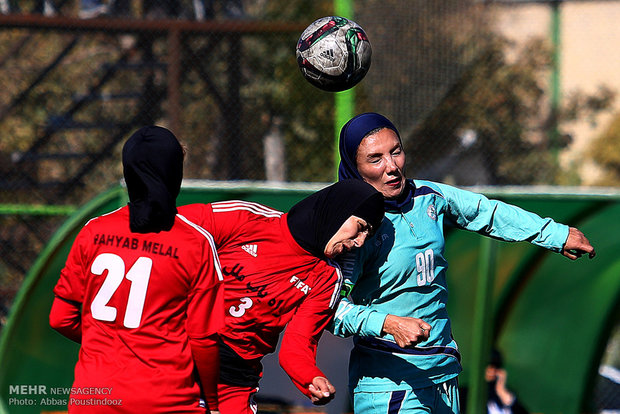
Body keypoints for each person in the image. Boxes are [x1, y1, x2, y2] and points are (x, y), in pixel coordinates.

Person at [330, 112, 596, 413]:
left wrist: (556, 234)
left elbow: (488, 212)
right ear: (355, 168)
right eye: (375, 159)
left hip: (444, 378)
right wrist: (388, 323)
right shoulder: (352, 228)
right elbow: (328, 308)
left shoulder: (429, 197)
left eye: (396, 151)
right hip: (391, 385)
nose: (391, 166)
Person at [49, 126, 225, 413]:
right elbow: (203, 340)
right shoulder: (196, 243)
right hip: (166, 401)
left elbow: (60, 318)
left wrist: (112, 341)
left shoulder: (93, 232)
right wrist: (214, 405)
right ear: (173, 174)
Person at [178, 178, 384, 413]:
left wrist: (311, 378)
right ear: (339, 210)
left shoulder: (328, 277)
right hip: (178, 353)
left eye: (368, 235)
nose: (360, 242)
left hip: (234, 379)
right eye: (360, 227)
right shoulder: (246, 218)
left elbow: (297, 344)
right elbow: (170, 229)